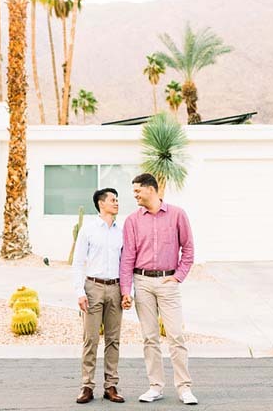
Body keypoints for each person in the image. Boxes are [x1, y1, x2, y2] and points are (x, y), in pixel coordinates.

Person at [119, 173, 197, 405]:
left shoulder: (177, 215)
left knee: (176, 336)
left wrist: (178, 277)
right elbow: (127, 257)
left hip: (167, 282)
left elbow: (189, 249)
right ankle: (155, 386)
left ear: (151, 189)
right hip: (142, 282)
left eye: (137, 191)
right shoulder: (132, 220)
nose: (134, 195)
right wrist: (126, 290)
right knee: (150, 338)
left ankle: (184, 388)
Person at [71, 187, 126, 404]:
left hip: (115, 288)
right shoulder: (88, 229)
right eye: (113, 199)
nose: (117, 203)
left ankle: (111, 386)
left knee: (113, 340)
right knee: (90, 339)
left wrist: (126, 292)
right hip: (92, 287)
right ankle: (87, 386)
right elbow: (77, 263)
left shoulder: (122, 231)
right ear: (101, 203)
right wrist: (79, 292)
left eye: (117, 199)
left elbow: (126, 263)